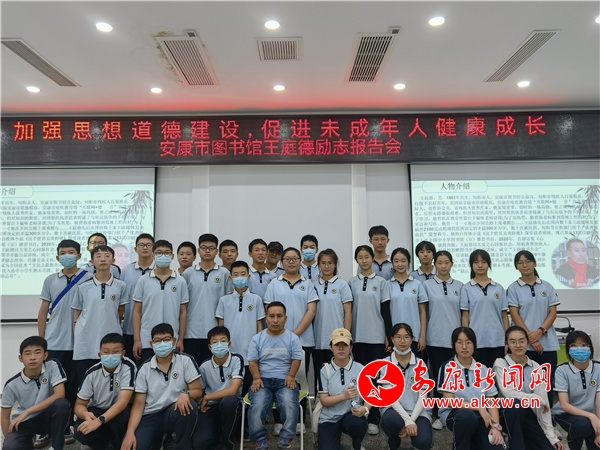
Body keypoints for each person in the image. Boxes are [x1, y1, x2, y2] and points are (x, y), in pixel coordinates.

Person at [37, 239, 92, 444]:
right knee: (49, 387)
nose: (67, 255)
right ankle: (45, 427)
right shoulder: (50, 280)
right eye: (63, 252)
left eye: (71, 252)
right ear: (57, 256)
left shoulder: (89, 278)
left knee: (73, 386)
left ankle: (67, 426)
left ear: (79, 255)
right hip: (54, 342)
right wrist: (41, 340)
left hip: (80, 343)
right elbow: (43, 310)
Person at [263, 247, 318, 436]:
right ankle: (279, 420)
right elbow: (270, 312)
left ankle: (299, 420)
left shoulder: (308, 284)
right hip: (276, 340)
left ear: (300, 261)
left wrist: (293, 335)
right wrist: (283, 335)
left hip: (303, 340)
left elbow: (311, 311)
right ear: (282, 262)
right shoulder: (274, 284)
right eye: (287, 258)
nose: (291, 261)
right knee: (278, 378)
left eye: (295, 258)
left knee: (299, 380)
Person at [121, 323, 202, 450]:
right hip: (150, 415)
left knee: (189, 406)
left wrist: (186, 393)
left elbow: (198, 390)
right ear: (151, 344)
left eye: (166, 339)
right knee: (136, 446)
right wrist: (130, 432)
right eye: (157, 341)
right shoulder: (144, 369)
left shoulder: (185, 360)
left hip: (173, 411)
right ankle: (159, 438)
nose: (162, 343)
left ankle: (182, 446)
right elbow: (138, 405)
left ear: (173, 341)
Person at [493, 326, 563, 450]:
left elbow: (543, 404)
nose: (518, 345)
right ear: (507, 344)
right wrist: (535, 398)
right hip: (507, 414)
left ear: (528, 342)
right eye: (513, 342)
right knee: (516, 405)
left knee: (548, 447)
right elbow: (508, 393)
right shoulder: (500, 363)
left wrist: (550, 435)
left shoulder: (536, 367)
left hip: (529, 416)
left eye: (521, 341)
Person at [349, 244, 392, 435]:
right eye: (360, 257)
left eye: (367, 257)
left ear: (372, 258)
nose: (364, 260)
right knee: (359, 378)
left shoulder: (382, 282)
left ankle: (374, 417)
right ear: (356, 260)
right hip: (357, 337)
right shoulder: (351, 282)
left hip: (376, 337)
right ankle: (358, 414)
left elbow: (385, 311)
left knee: (375, 379)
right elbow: (348, 311)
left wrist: (387, 336)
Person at [438, 327, 505, 450]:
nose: (464, 346)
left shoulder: (483, 369)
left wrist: (496, 428)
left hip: (482, 417)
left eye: (468, 342)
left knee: (496, 446)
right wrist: (479, 407)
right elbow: (449, 401)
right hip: (456, 414)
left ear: (474, 345)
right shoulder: (447, 367)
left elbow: (491, 401)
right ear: (454, 345)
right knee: (467, 417)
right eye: (460, 342)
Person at [508, 250, 560, 405]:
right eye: (520, 262)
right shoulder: (513, 288)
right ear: (516, 266)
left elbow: (552, 313)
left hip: (547, 344)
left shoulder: (547, 286)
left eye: (528, 261)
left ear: (535, 263)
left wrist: (540, 332)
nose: (524, 265)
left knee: (546, 382)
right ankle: (529, 416)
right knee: (525, 384)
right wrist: (530, 338)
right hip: (523, 346)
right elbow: (514, 315)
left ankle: (547, 414)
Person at [247, 302, 302, 450]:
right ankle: (260, 439)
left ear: (285, 318)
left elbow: (296, 359)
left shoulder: (293, 338)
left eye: (279, 316)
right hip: (262, 381)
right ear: (266, 318)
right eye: (271, 316)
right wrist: (256, 377)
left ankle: (286, 438)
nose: (275, 320)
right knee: (258, 405)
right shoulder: (257, 338)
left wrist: (291, 375)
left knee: (289, 403)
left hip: (285, 380)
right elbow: (252, 361)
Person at [1, 336, 70, 450]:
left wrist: (28, 411)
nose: (32, 357)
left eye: (37, 352)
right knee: (11, 446)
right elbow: (4, 416)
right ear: (20, 358)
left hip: (48, 416)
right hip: (25, 421)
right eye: (27, 353)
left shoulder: (52, 365)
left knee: (61, 405)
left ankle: (56, 447)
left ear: (45, 355)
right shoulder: (12, 384)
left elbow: (59, 394)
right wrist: (9, 439)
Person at [72, 245, 128, 383]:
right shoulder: (83, 287)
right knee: (85, 381)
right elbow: (77, 314)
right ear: (92, 261)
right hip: (86, 341)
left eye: (107, 256)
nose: (103, 259)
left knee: (110, 381)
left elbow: (120, 312)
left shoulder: (121, 286)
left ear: (113, 260)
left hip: (111, 338)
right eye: (98, 256)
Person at [73, 333, 136, 450]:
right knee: (80, 431)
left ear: (123, 353)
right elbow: (79, 404)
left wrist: (100, 420)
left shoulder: (129, 367)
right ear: (99, 354)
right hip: (97, 409)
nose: (110, 356)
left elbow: (123, 402)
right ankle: (103, 445)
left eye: (115, 352)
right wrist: (85, 414)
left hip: (118, 411)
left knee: (122, 419)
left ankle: (117, 445)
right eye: (106, 352)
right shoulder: (91, 373)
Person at [423, 250, 463, 431]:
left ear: (451, 264)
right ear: (435, 265)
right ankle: (439, 413)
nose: (443, 266)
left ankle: (456, 410)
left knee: (455, 376)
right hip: (435, 338)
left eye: (447, 262)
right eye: (440, 263)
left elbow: (463, 313)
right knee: (438, 376)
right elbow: (423, 312)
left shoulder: (460, 286)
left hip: (456, 339)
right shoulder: (427, 285)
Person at [132, 239, 189, 365]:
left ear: (172, 256)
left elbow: (183, 312)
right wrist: (136, 340)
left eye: (167, 253)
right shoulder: (143, 280)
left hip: (171, 341)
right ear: (153, 255)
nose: (163, 256)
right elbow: (137, 311)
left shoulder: (180, 281)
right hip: (147, 340)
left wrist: (180, 339)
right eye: (159, 253)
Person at [183, 233, 233, 365]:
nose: (207, 251)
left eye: (211, 248)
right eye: (204, 247)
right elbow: (182, 305)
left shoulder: (224, 273)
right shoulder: (188, 273)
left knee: (212, 370)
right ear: (198, 250)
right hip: (191, 332)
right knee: (192, 370)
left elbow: (228, 304)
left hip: (215, 334)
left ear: (217, 251)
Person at [216, 260, 265, 394]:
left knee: (250, 392)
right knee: (232, 392)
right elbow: (221, 327)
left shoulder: (256, 299)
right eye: (236, 275)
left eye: (243, 274)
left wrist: (258, 347)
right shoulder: (224, 300)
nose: (239, 277)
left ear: (248, 276)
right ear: (231, 278)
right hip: (231, 354)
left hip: (251, 354)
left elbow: (259, 325)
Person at [381, 323, 433, 450]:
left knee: (424, 441)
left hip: (418, 412)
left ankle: (416, 441)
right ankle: (394, 442)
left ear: (411, 340)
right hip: (393, 411)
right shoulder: (385, 364)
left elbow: (423, 397)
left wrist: (411, 420)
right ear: (392, 339)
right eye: (398, 337)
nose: (402, 341)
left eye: (406, 337)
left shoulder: (420, 364)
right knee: (391, 422)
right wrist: (406, 420)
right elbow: (390, 398)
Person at [316, 328, 368, 450]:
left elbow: (369, 396)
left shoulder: (360, 368)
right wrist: (343, 396)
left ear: (351, 347)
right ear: (331, 347)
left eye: (344, 345)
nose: (341, 348)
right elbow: (324, 400)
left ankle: (357, 446)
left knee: (358, 424)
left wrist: (365, 409)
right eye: (337, 345)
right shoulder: (324, 370)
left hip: (351, 415)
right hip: (329, 418)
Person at [193, 326, 244, 450]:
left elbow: (233, 390)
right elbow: (199, 391)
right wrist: (202, 401)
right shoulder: (204, 366)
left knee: (229, 401)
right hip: (210, 407)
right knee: (200, 444)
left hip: (230, 404)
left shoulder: (237, 360)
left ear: (229, 344)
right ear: (209, 346)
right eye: (215, 342)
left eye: (223, 341)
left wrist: (207, 397)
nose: (219, 345)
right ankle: (215, 433)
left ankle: (226, 443)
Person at [460, 249, 509, 369]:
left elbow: (504, 316)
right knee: (479, 376)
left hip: (497, 340)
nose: (480, 265)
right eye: (476, 262)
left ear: (489, 264)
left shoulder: (498, 288)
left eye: (483, 262)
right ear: (471, 265)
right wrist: (466, 339)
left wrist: (507, 339)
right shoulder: (466, 288)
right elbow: (465, 316)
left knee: (498, 375)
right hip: (476, 341)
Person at [312, 249, 353, 393]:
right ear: (319, 265)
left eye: (330, 263)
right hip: (318, 339)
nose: (326, 266)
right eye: (323, 263)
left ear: (335, 264)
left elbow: (348, 312)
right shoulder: (313, 285)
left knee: (338, 376)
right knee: (320, 374)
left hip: (337, 340)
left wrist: (346, 335)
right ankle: (321, 402)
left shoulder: (342, 285)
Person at [552, 330, 600, 450]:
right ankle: (570, 445)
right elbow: (564, 405)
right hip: (566, 413)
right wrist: (592, 417)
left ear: (590, 348)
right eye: (574, 345)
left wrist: (599, 430)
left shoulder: (598, 368)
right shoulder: (562, 370)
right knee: (583, 425)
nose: (580, 349)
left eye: (584, 345)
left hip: (593, 414)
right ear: (568, 349)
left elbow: (599, 401)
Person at [120, 233, 155, 360]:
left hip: (152, 329)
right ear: (135, 249)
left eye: (148, 245)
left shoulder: (159, 270)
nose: (145, 248)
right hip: (129, 328)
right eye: (141, 245)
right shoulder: (126, 271)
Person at [388, 248, 428, 357]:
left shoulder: (417, 284)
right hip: (394, 337)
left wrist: (422, 336)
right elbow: (384, 314)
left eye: (403, 261)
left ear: (409, 262)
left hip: (414, 336)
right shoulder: (387, 285)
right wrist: (387, 337)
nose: (400, 264)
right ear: (392, 263)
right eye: (396, 261)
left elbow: (422, 312)